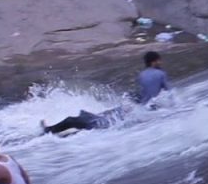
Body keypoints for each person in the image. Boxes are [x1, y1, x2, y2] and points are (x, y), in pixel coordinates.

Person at [42, 51, 170, 135]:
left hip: (133, 108)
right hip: (141, 108)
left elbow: (141, 93)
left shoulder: (142, 75)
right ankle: (51, 130)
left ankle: (49, 130)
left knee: (82, 120)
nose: (161, 63)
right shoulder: (161, 74)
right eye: (159, 60)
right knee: (90, 120)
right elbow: (167, 92)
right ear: (154, 61)